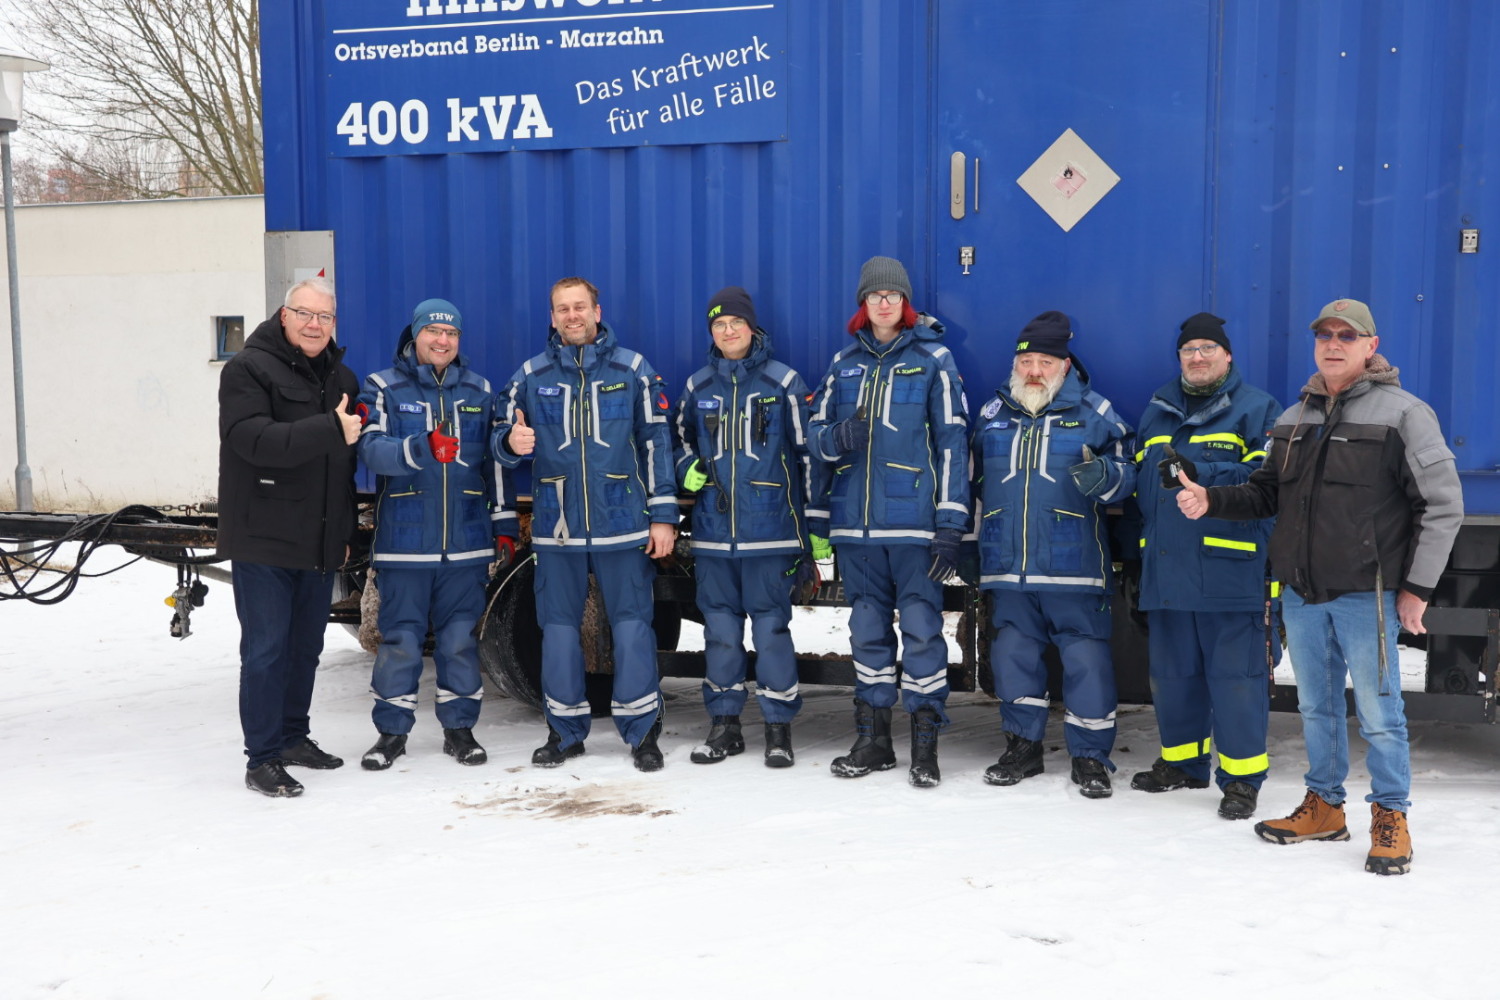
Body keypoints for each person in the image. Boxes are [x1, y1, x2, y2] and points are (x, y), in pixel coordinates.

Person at [1177, 298, 1462, 875]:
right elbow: (1266, 492)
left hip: (1366, 594)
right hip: (1302, 594)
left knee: (1379, 713)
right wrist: (1211, 499)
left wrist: (1417, 588)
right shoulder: (1295, 416)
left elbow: (1441, 505)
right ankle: (1325, 807)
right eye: (1325, 335)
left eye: (1347, 335)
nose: (1333, 343)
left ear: (1370, 346)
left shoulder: (1405, 414)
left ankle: (1390, 816)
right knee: (1316, 707)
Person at [492, 277, 678, 771]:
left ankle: (642, 732)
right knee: (556, 631)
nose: (572, 316)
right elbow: (497, 435)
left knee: (632, 628)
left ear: (597, 311)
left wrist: (663, 516)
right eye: (562, 309)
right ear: (552, 317)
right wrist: (509, 443)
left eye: (580, 307)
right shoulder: (530, 376)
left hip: (623, 523)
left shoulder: (632, 370)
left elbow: (657, 444)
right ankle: (564, 731)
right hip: (558, 527)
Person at [807, 256, 969, 788]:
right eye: (875, 295)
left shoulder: (933, 359)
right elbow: (814, 436)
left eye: (892, 295)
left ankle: (925, 745)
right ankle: (873, 740)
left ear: (905, 302)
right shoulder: (843, 364)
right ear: (863, 303)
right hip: (856, 527)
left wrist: (950, 522)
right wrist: (837, 438)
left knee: (922, 629)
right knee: (866, 631)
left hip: (914, 525)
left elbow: (953, 442)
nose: (883, 303)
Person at [972, 311, 1134, 799]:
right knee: (1012, 655)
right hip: (1007, 566)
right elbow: (970, 484)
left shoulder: (1095, 412)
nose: (1034, 371)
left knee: (1086, 660)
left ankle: (1091, 757)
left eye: (1045, 362)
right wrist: (967, 546)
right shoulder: (992, 415)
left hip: (1074, 566)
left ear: (1065, 366)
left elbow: (1130, 474)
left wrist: (1107, 477)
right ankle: (1022, 747)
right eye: (1026, 362)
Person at [1128, 312, 1283, 819]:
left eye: (1207, 349)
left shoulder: (1257, 408)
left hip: (1228, 571)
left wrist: (1205, 470)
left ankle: (1241, 780)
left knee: (1236, 681)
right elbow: (1142, 493)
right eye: (1189, 350)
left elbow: (1268, 481)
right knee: (1173, 677)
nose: (1198, 357)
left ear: (1227, 356)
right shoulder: (1156, 411)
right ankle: (1183, 764)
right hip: (1167, 570)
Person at [217, 277, 360, 797]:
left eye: (324, 317)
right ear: (284, 315)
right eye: (304, 314)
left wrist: (343, 529)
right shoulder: (248, 369)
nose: (314, 325)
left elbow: (341, 468)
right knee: (266, 650)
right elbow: (251, 439)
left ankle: (294, 737)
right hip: (263, 538)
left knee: (304, 648)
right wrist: (329, 428)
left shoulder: (342, 377)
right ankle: (262, 758)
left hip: (316, 538)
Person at [354, 299, 505, 771]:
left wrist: (503, 526)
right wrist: (421, 447)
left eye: (451, 333)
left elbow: (494, 464)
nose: (442, 340)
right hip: (405, 544)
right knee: (400, 640)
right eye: (434, 331)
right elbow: (370, 449)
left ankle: (459, 731)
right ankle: (391, 734)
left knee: (460, 641)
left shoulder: (480, 390)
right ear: (415, 335)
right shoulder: (383, 386)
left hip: (466, 544)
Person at [674, 287, 823, 767]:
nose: (728, 331)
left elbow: (807, 456)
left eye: (735, 322)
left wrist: (813, 525)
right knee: (719, 632)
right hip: (714, 534)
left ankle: (778, 729)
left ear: (751, 327)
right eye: (719, 325)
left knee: (771, 630)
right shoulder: (698, 386)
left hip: (771, 533)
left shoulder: (784, 382)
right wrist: (686, 467)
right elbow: (677, 439)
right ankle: (725, 726)